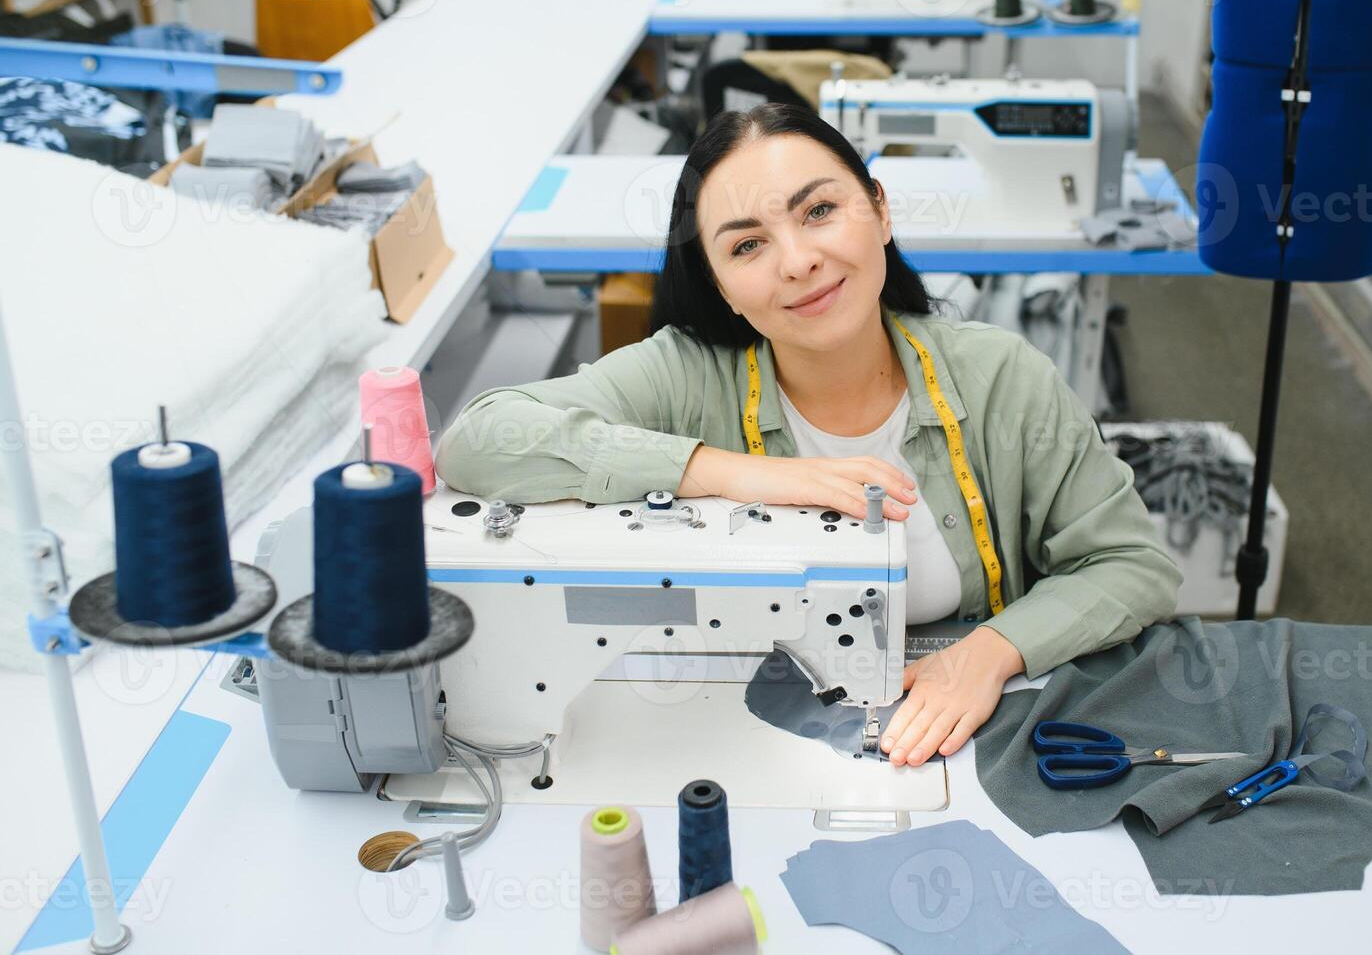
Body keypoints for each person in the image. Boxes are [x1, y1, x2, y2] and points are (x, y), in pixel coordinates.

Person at [435, 102, 1180, 767]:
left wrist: (990, 652)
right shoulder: (686, 375)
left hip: (971, 719)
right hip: (736, 726)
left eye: (818, 211)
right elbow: (478, 439)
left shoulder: (998, 379)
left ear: (880, 212)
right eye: (746, 246)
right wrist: (724, 470)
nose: (797, 262)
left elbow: (1128, 563)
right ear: (719, 284)